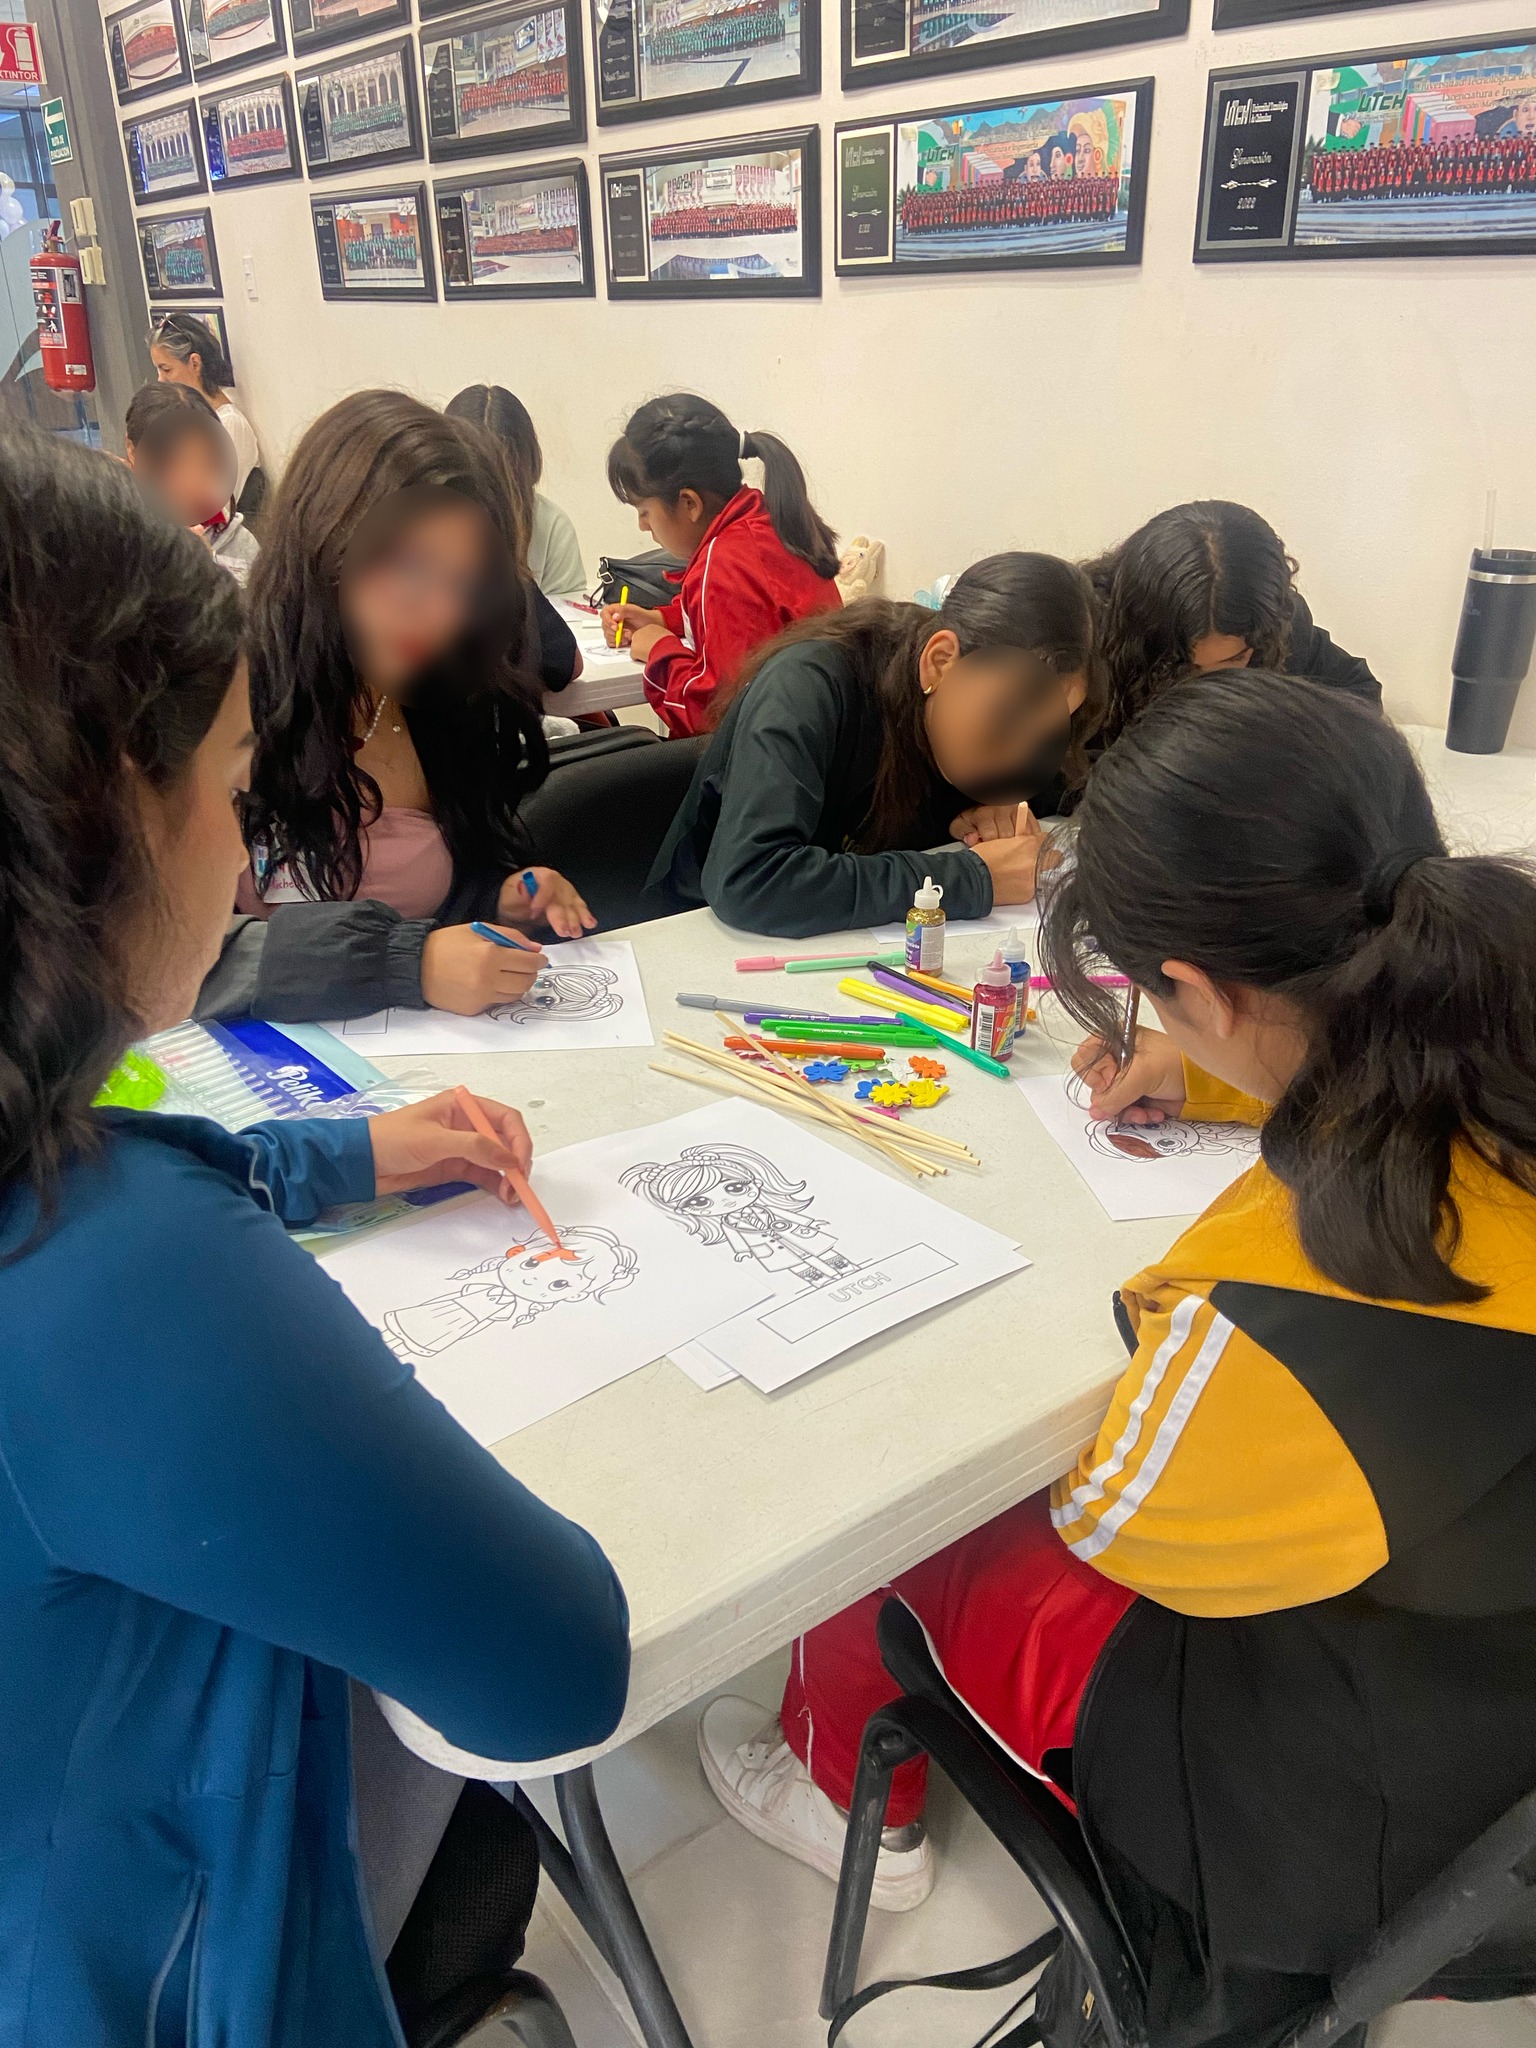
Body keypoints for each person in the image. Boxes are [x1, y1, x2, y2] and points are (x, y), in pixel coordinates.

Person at [699, 673, 1536, 2046]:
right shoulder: (1499, 1011)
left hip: (1349, 1812)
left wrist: (1164, 1299)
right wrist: (1219, 1075)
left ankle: (838, 1786)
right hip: (1496, 1714)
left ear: (1195, 989)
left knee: (914, 1505)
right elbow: (1399, 1059)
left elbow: (1112, 1520)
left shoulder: (1284, 1325)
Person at [0, 418, 630, 2046]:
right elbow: (557, 1668)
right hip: (151, 1967)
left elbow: (130, 1146)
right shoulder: (118, 1265)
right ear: (101, 817)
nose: (239, 856)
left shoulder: (60, 1158)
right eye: (225, 791)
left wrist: (344, 1153)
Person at [196, 390, 596, 1025]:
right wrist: (404, 962)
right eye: (411, 566)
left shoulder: (441, 699)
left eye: (462, 584)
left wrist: (495, 904)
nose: (438, 613)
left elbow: (428, 899)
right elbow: (154, 953)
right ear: (327, 535)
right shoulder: (216, 696)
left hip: (411, 1052)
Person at [649, 552, 1100, 936]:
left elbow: (1073, 785)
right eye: (1001, 725)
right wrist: (973, 878)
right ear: (940, 662)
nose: (1017, 759)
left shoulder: (986, 709)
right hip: (706, 940)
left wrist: (1001, 804)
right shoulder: (808, 686)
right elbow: (752, 879)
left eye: (1042, 736)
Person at [600, 392, 841, 737]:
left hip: (764, 753)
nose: (642, 526)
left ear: (689, 503)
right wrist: (661, 620)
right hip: (814, 738)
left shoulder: (724, 566)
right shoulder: (765, 520)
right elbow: (749, 623)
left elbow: (713, 715)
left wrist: (659, 650)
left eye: (644, 512)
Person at [1086, 499, 1382, 752]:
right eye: (1183, 668)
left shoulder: (1277, 630)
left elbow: (1358, 701)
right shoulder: (1084, 634)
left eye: (1233, 660)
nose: (1206, 687)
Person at [446, 382, 586, 598]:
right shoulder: (419, 520)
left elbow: (567, 608)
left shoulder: (551, 525)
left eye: (506, 481)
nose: (492, 498)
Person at [124, 380, 260, 585]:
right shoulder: (116, 536)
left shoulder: (238, 540)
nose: (191, 481)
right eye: (172, 462)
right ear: (132, 450)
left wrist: (208, 572)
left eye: (204, 461)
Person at [149, 308, 260, 503]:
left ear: (194, 363)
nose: (161, 379)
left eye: (166, 369)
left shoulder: (229, 425)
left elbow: (219, 508)